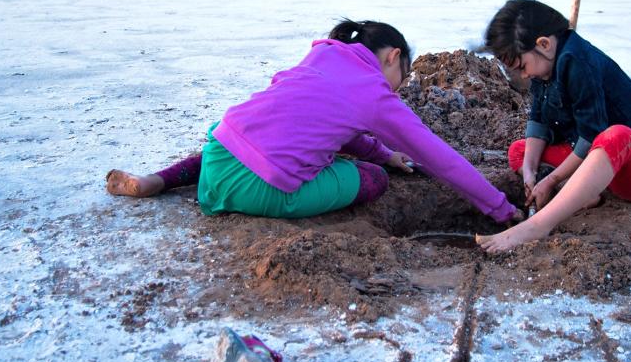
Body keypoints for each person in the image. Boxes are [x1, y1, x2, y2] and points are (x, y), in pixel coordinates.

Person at [107, 20, 521, 224]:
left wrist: (384, 151)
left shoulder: (322, 56)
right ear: (392, 56)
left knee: (244, 139)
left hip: (219, 154)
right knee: (371, 177)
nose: (399, 89)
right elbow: (440, 158)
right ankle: (253, 189)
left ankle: (156, 181)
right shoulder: (375, 93)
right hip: (262, 189)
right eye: (403, 76)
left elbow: (322, 120)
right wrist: (499, 207)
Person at [475, 0, 631, 252]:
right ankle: (584, 192)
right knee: (520, 152)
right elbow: (539, 120)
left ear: (544, 43)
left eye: (522, 67)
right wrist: (530, 173)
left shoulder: (578, 62)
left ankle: (539, 224)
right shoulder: (544, 65)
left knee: (615, 135)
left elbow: (592, 135)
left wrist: (551, 179)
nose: (524, 75)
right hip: (591, 157)